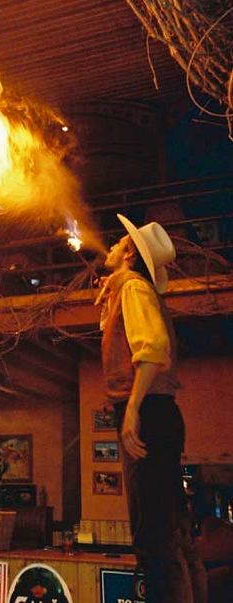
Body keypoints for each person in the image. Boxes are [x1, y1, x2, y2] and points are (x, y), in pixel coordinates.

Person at [97, 213, 207, 603]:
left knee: (154, 539)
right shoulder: (131, 288)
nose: (112, 244)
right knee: (174, 535)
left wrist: (132, 409)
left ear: (129, 254)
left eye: (118, 241)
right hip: (160, 412)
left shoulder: (133, 287)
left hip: (149, 412)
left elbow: (153, 349)